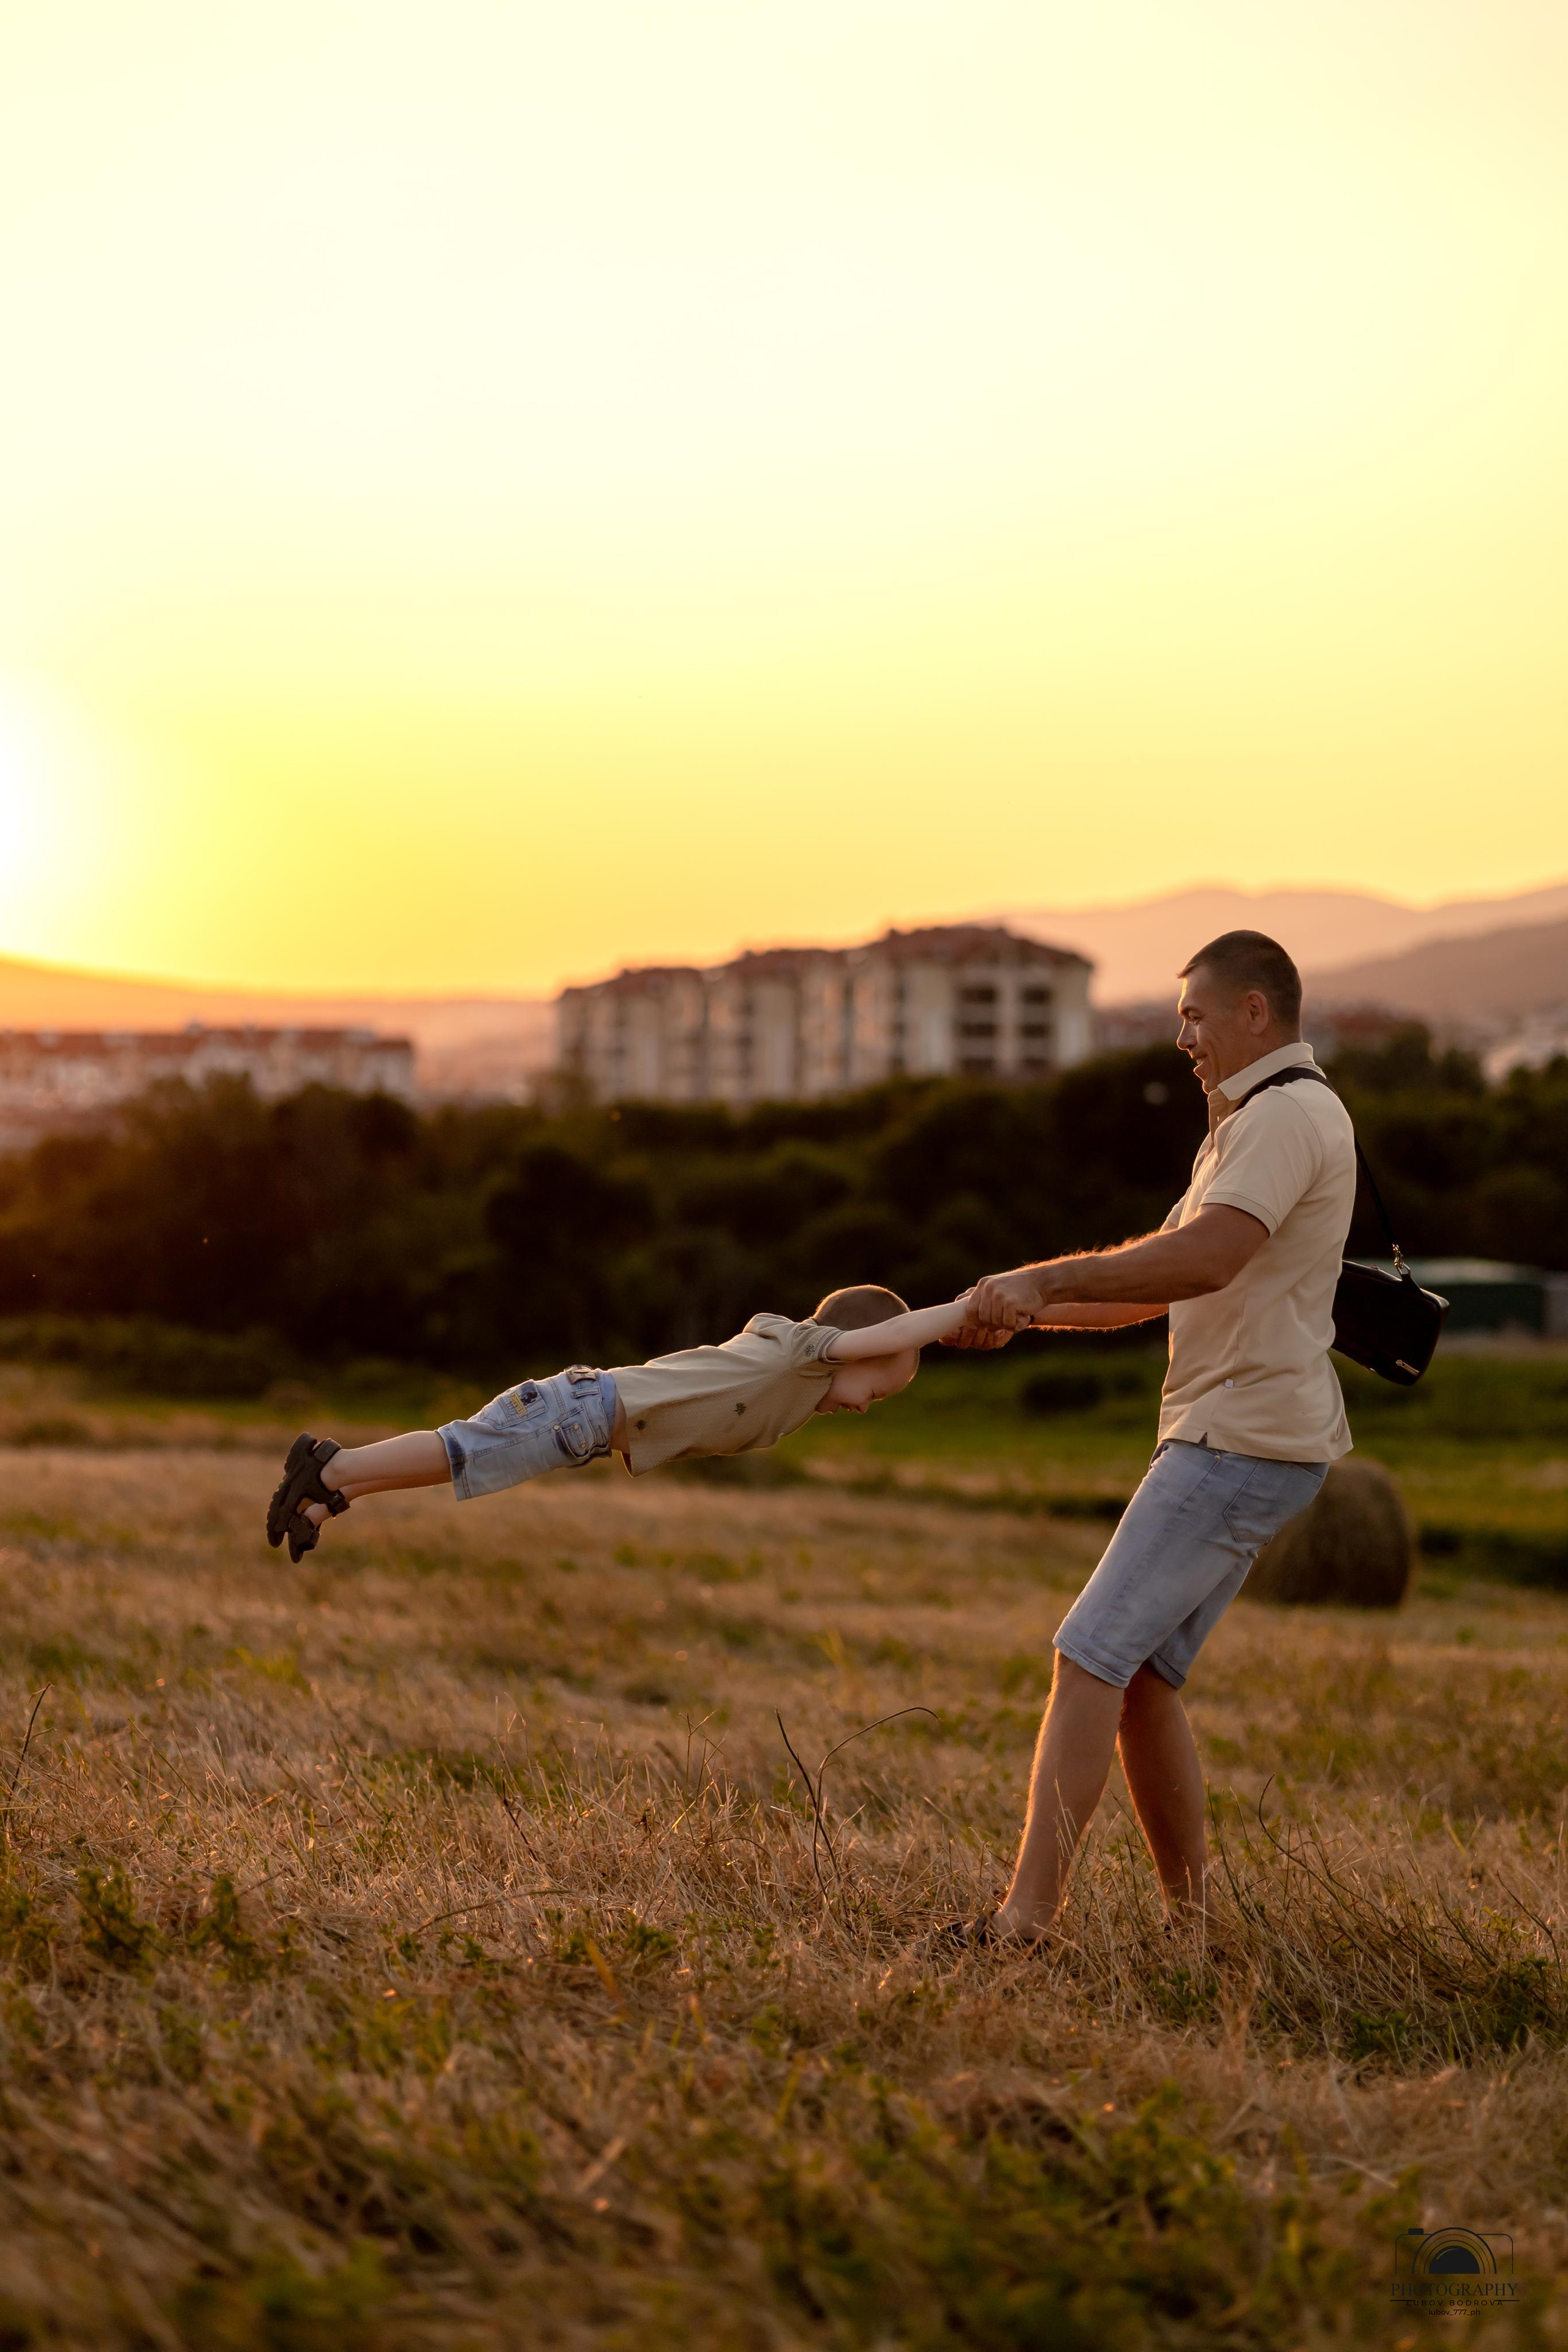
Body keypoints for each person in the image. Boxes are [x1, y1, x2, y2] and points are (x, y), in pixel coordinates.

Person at [943, 929, 1355, 1949]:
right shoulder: (1245, 1123)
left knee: (1087, 1658)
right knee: (1137, 1682)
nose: (1183, 1036)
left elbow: (1209, 1258)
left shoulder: (1287, 1116)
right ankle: (1193, 1929)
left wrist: (1046, 1280)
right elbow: (1152, 1279)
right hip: (1250, 1438)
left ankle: (1025, 1922)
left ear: (1256, 1012)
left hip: (1237, 1442)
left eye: (1196, 1015)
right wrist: (1023, 1310)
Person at [265, 1283, 966, 1560]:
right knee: (459, 1451)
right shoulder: (806, 1348)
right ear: (859, 1349)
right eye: (874, 1391)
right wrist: (972, 1309)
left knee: (466, 1465)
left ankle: (330, 1496)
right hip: (579, 1410)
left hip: (585, 1426)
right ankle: (332, 1464)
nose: (863, 1407)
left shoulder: (795, 1372)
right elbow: (878, 1338)